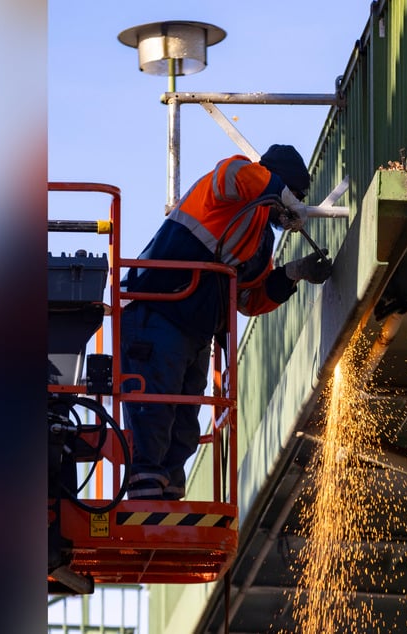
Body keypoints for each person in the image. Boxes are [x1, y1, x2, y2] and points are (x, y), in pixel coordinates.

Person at [119, 144, 332, 500]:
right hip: (156, 310)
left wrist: (294, 273)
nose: (293, 208)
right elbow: (236, 176)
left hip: (195, 329)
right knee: (155, 405)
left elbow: (248, 298)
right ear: (278, 184)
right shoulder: (232, 183)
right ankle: (145, 487)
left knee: (184, 422)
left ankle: (167, 492)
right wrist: (281, 195)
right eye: (295, 196)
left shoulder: (261, 238)